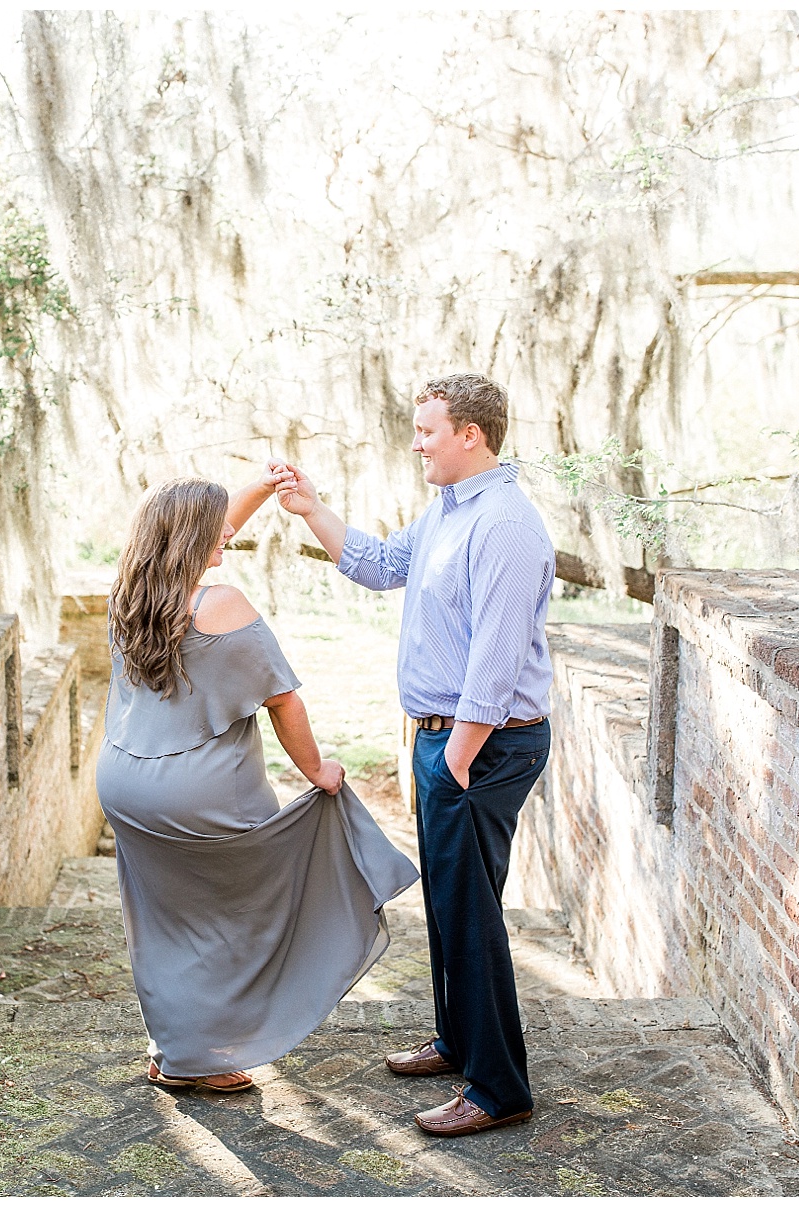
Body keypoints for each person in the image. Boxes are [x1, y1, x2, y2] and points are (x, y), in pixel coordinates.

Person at [272, 372, 555, 1137]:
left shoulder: (503, 524)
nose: (416, 442)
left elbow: (496, 658)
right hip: (447, 740)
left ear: (470, 434)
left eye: (427, 430)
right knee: (449, 902)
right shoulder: (448, 510)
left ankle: (498, 1088)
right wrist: (312, 507)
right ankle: (457, 1040)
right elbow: (379, 565)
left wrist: (456, 757)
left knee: (470, 912)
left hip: (483, 745)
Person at [96, 472, 419, 1092]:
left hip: (125, 788)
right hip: (199, 794)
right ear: (193, 537)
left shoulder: (130, 592)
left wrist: (261, 489)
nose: (229, 535)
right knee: (243, 915)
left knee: (165, 922)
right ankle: (210, 1055)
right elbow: (283, 700)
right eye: (218, 529)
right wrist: (318, 772)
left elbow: (198, 529)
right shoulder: (222, 604)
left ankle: (173, 1051)